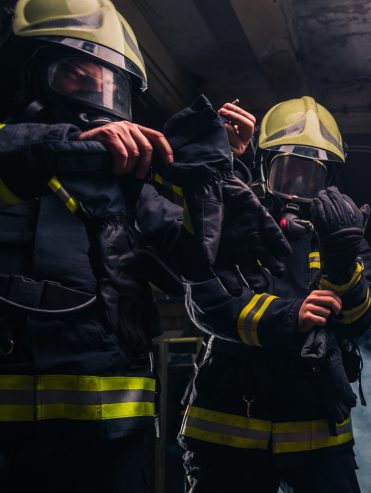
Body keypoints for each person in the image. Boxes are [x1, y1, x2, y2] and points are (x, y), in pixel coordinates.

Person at [0, 1, 224, 490]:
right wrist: (61, 148)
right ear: (25, 79)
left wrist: (208, 184)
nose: (96, 100)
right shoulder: (15, 152)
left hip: (113, 443)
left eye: (109, 88)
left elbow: (197, 261)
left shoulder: (131, 190)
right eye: (76, 79)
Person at [177, 97, 371, 492]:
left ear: (330, 179)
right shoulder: (230, 214)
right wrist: (291, 315)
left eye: (311, 176)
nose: (297, 189)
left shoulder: (342, 236)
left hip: (317, 429)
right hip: (229, 427)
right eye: (288, 172)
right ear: (265, 167)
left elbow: (359, 325)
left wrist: (341, 266)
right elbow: (208, 302)